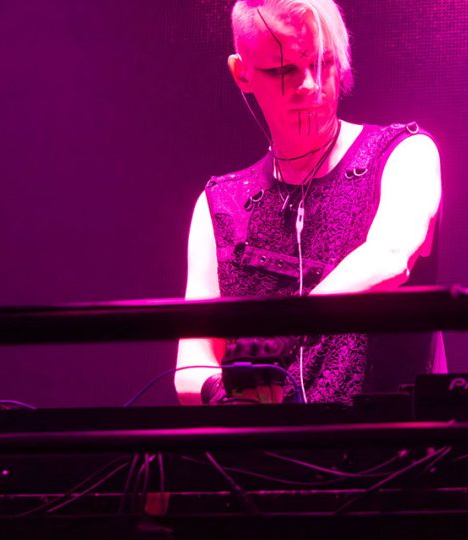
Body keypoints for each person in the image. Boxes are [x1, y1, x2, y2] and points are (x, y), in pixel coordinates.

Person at [175, 0, 442, 405]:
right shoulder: (219, 204)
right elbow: (191, 363)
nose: (309, 85)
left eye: (322, 63)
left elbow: (391, 256)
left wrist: (287, 326)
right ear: (242, 73)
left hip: (386, 441)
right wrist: (222, 393)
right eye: (282, 70)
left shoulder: (405, 153)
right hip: (266, 446)